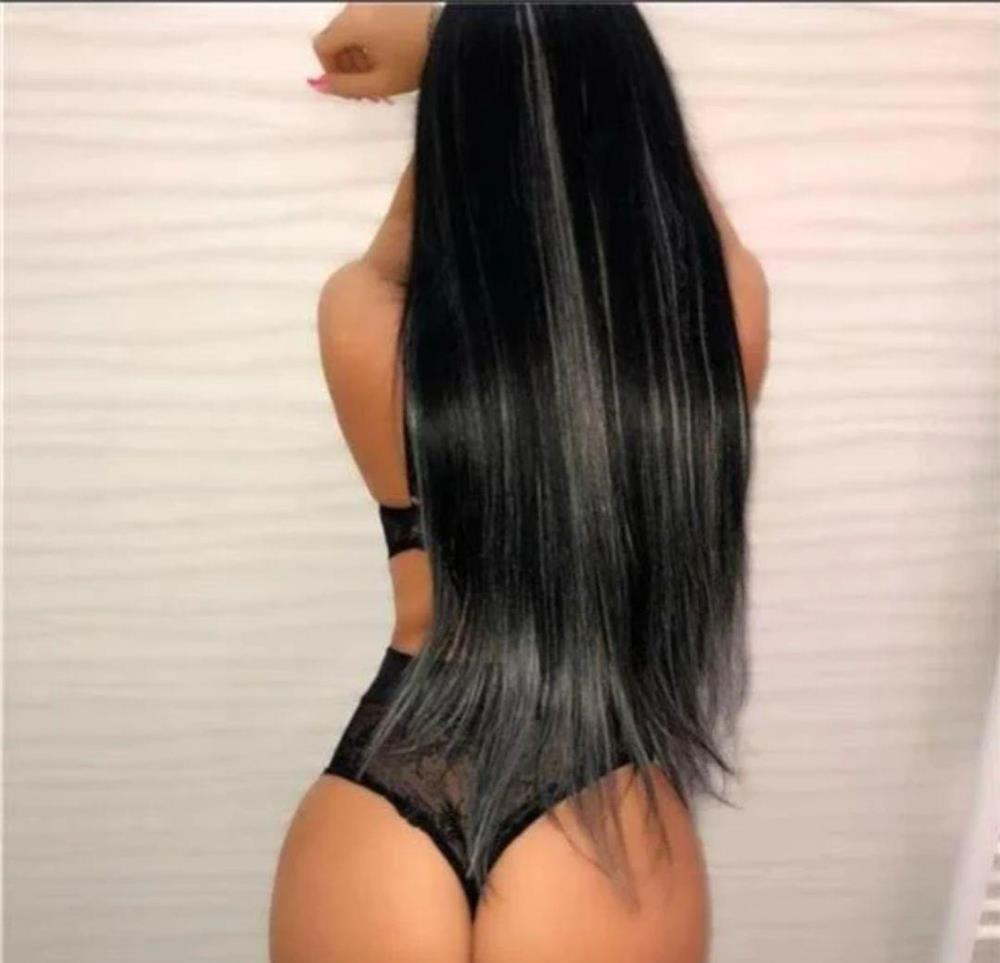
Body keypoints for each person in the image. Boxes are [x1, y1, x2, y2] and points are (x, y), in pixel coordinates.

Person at [270, 5, 770, 962]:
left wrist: (457, 52)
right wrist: (567, 58)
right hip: (605, 800)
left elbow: (409, 230)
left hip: (387, 784)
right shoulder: (720, 330)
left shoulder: (362, 321)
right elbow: (698, 232)